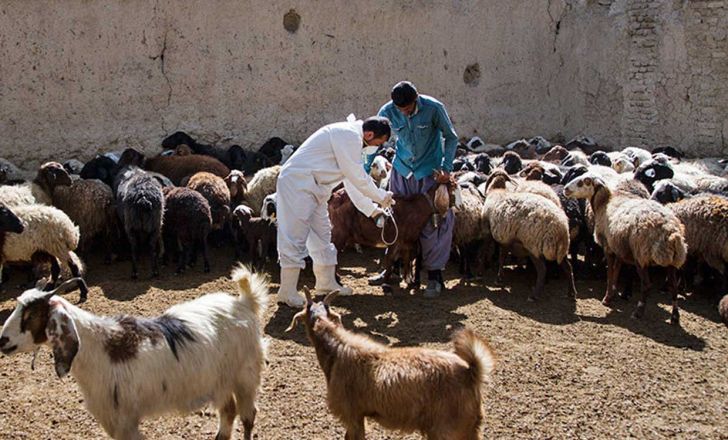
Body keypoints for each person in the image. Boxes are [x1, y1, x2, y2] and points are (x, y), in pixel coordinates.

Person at [275, 115, 395, 307]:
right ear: (369, 134)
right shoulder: (347, 136)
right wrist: (381, 196)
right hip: (298, 184)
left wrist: (373, 210)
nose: (377, 148)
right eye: (378, 143)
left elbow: (352, 182)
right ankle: (287, 291)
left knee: (323, 234)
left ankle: (325, 283)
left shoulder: (352, 142)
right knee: (294, 236)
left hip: (316, 188)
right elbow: (356, 176)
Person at [373, 81, 458, 297]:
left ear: (416, 98)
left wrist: (446, 169)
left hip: (429, 173)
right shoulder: (387, 111)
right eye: (400, 109)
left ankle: (434, 275)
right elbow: (374, 141)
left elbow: (451, 137)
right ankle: (392, 268)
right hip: (402, 171)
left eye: (408, 108)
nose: (405, 112)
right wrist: (363, 168)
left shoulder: (434, 108)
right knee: (395, 218)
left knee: (434, 221)